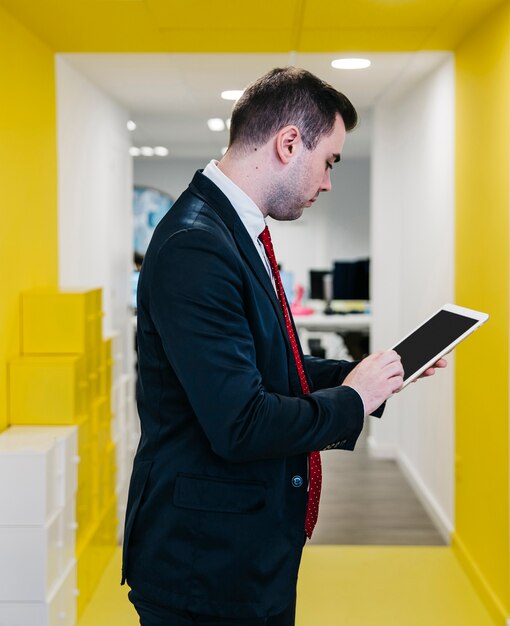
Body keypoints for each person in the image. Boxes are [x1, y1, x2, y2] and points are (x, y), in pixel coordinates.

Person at [122, 67, 446, 626]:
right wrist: (354, 399)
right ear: (288, 142)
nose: (326, 183)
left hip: (238, 551)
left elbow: (266, 362)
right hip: (203, 565)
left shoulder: (230, 230)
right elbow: (242, 421)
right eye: (329, 162)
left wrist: (373, 373)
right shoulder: (196, 245)